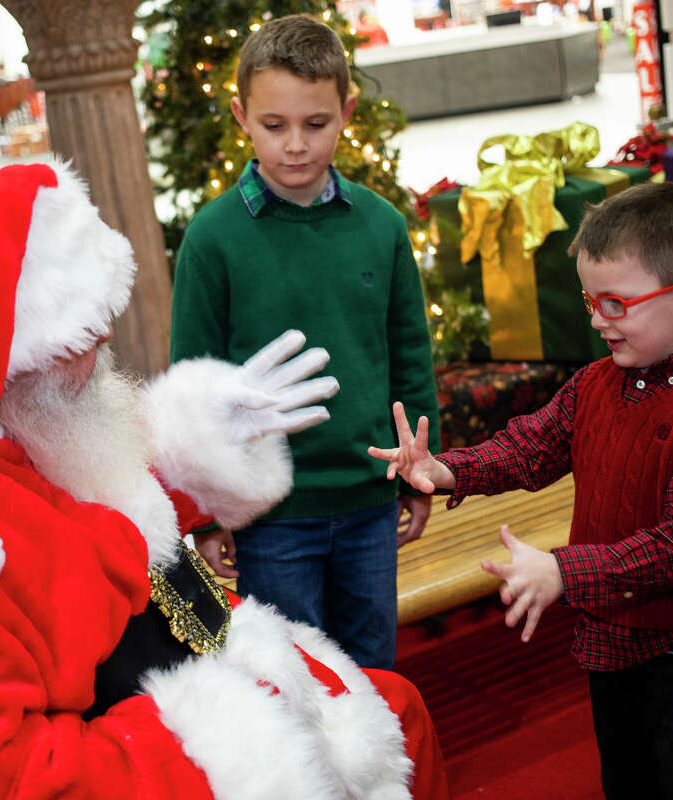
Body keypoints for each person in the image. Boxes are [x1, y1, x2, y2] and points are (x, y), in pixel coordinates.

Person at [0, 160, 451, 800]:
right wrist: (241, 732)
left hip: (147, 665)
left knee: (397, 706)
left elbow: (79, 522)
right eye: (76, 344)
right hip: (110, 741)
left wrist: (193, 455)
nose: (102, 357)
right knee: (385, 721)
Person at [370, 181, 673, 799]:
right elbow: (531, 446)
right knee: (628, 783)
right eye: (589, 301)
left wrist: (564, 571)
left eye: (616, 303)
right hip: (610, 642)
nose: (596, 320)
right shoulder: (594, 383)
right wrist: (451, 470)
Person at [170, 13, 440, 671]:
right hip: (271, 517)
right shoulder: (212, 239)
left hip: (370, 505)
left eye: (315, 125)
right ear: (240, 116)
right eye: (274, 125)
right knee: (297, 682)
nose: (295, 144)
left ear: (346, 111)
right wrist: (206, 513)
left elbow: (409, 353)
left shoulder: (381, 225)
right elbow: (192, 386)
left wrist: (420, 471)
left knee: (374, 674)